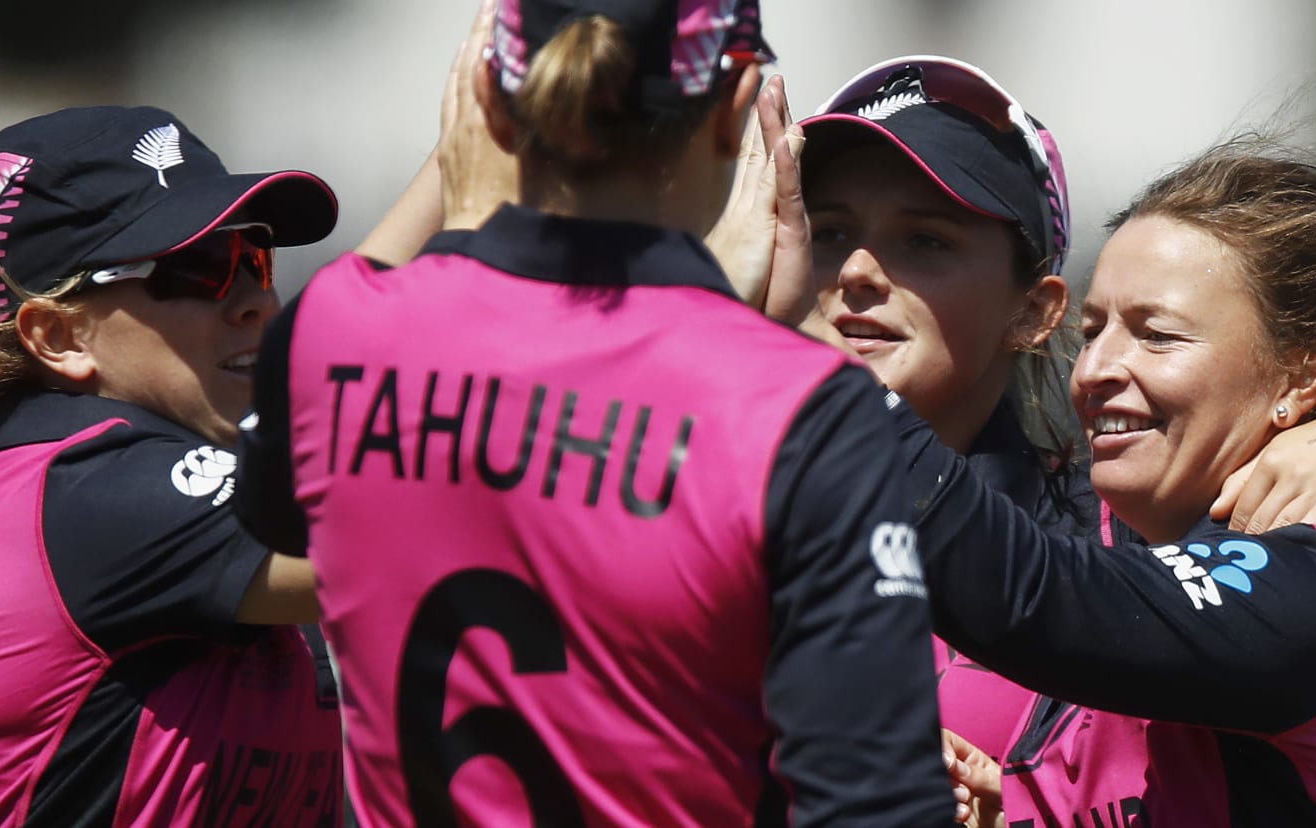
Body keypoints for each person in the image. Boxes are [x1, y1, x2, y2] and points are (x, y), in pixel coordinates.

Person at [773, 57, 1316, 825]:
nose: (1100, 367)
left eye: (1157, 335)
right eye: (828, 231)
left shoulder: (1302, 570)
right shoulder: (1158, 516)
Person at [233, 1, 951, 826]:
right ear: (734, 107)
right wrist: (735, 326)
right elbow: (877, 805)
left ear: (491, 103)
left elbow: (279, 510)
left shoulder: (335, 328)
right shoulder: (798, 406)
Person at [0, 106, 341, 825]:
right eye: (199, 269)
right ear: (58, 335)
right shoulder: (92, 494)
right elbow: (393, 548)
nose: (258, 303)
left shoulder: (74, 486)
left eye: (255, 257)